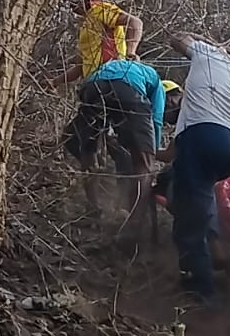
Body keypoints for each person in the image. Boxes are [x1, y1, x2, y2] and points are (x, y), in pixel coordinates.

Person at [166, 31, 230, 303]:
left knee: (189, 217)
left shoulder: (205, 53)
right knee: (208, 199)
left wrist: (213, 45)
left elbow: (176, 37)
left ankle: (200, 294)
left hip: (207, 133)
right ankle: (223, 255)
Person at [63, 57, 165, 229]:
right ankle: (135, 223)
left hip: (93, 86)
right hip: (128, 90)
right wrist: (150, 151)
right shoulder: (157, 82)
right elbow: (156, 120)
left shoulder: (112, 65)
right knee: (144, 164)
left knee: (88, 147)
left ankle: (93, 208)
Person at [59, 0, 143, 84]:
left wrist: (131, 52)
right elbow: (82, 66)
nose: (70, 2)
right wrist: (55, 82)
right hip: (94, 82)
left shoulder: (101, 10)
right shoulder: (86, 22)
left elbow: (135, 23)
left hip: (112, 76)